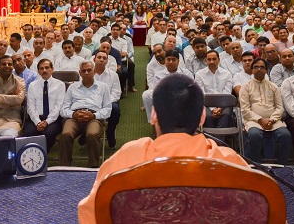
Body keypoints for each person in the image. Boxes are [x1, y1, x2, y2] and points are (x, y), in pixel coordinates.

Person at [78, 74, 248, 223]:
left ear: (153, 115)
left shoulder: (126, 158)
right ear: (202, 117)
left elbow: (92, 213)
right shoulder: (229, 161)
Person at [59, 60, 112, 167]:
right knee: (65, 134)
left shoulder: (103, 87)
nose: (87, 73)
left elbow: (107, 109)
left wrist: (94, 115)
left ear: (94, 71)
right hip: (74, 117)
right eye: (84, 71)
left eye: (89, 70)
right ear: (80, 72)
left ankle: (93, 166)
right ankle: (64, 166)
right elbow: (63, 109)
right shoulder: (72, 87)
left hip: (94, 117)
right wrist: (73, 114)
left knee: (92, 134)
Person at [240, 58, 291, 165]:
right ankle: (255, 165)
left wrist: (272, 120)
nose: (259, 69)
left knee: (285, 135)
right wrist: (260, 120)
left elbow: (279, 107)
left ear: (267, 71)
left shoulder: (273, 86)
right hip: (253, 121)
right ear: (252, 70)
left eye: (262, 67)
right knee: (254, 135)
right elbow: (245, 109)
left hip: (273, 121)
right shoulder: (245, 87)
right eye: (256, 67)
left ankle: (282, 166)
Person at [24, 59, 64, 153]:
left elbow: (58, 106)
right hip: (35, 118)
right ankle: (31, 155)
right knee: (29, 133)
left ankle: (41, 156)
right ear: (38, 71)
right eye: (41, 68)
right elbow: (30, 107)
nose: (44, 70)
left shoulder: (60, 85)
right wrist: (38, 122)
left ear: (52, 69)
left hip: (53, 119)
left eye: (47, 68)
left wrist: (47, 122)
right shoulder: (33, 86)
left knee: (49, 133)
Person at [142, 50, 193, 123]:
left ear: (178, 61)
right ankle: (153, 122)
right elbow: (158, 92)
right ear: (165, 61)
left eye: (173, 59)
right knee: (147, 95)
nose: (171, 62)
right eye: (168, 59)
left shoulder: (186, 73)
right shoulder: (159, 75)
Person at [195, 50, 233, 130]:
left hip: (224, 104)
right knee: (207, 116)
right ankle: (213, 141)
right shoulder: (199, 74)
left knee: (225, 115)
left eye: (214, 59)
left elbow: (227, 93)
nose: (211, 61)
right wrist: (213, 109)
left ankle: (218, 142)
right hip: (206, 104)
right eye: (209, 59)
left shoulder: (227, 74)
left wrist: (219, 108)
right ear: (206, 61)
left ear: (219, 60)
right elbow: (202, 94)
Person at [93, 51, 121, 148]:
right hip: (90, 102)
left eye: (104, 58)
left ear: (107, 61)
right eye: (99, 57)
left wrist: (105, 102)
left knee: (115, 109)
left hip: (108, 102)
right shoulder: (88, 73)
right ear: (94, 59)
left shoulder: (113, 75)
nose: (101, 60)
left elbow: (116, 93)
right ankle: (85, 133)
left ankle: (110, 131)